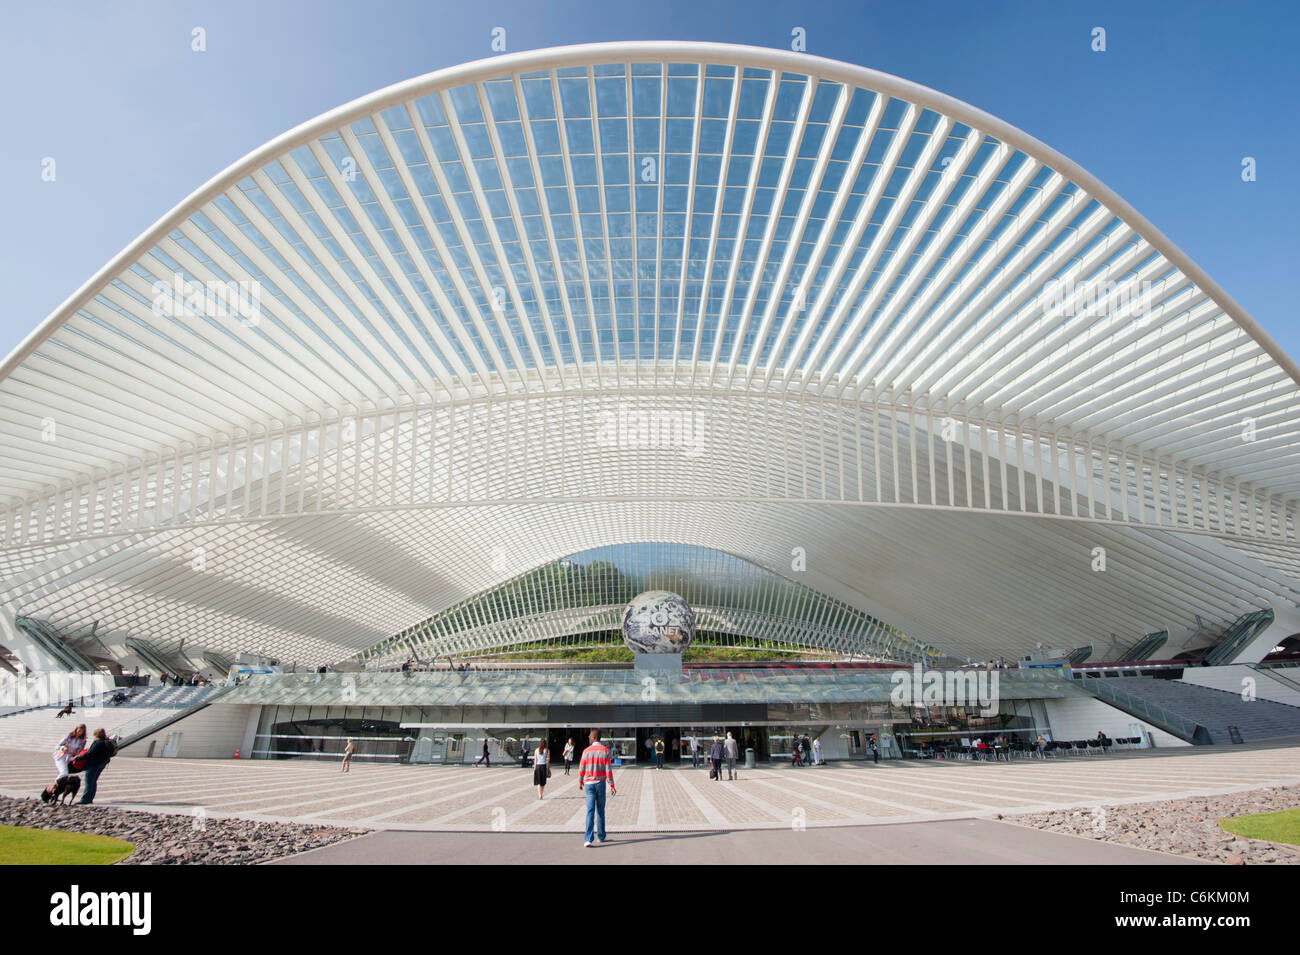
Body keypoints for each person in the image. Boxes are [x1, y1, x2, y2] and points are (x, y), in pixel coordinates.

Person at [577, 729, 615, 846]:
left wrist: (580, 781)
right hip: (600, 783)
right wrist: (612, 785)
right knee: (600, 810)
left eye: (589, 736)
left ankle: (588, 838)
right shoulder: (605, 751)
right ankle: (601, 836)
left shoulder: (586, 751)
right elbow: (608, 770)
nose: (588, 738)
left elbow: (581, 768)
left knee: (590, 811)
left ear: (593, 737)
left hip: (589, 784)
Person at [76, 729, 117, 805]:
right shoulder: (105, 741)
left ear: (96, 735)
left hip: (94, 764)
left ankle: (85, 799)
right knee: (93, 781)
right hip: (102, 763)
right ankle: (90, 798)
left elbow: (90, 753)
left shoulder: (98, 743)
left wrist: (77, 758)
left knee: (89, 781)